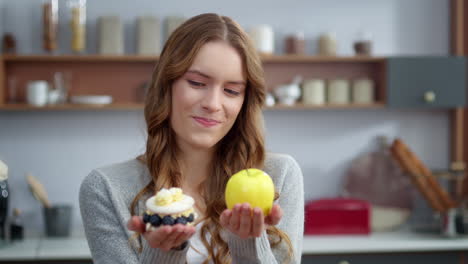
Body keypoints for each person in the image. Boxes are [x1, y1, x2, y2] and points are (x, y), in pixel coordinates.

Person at [79, 13, 304, 264]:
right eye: (197, 83)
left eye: (231, 91)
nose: (213, 104)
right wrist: (162, 256)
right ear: (167, 86)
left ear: (244, 102)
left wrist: (249, 245)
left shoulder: (280, 176)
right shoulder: (106, 189)